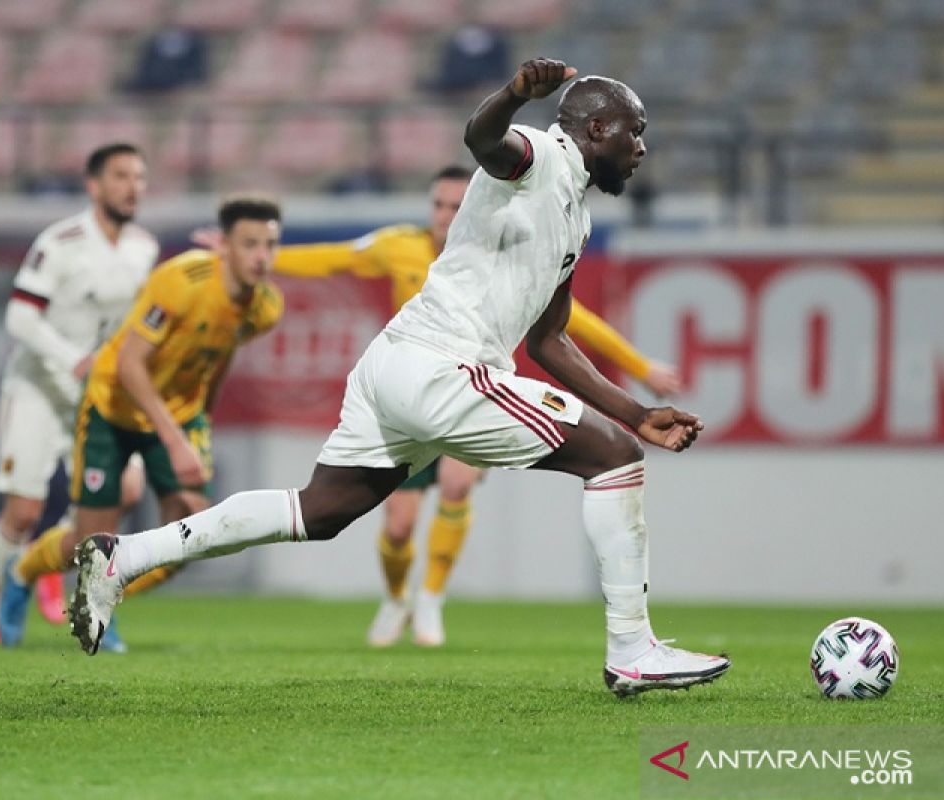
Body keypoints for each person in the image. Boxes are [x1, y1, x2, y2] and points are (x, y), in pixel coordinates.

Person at [70, 59, 731, 698]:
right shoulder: (538, 153)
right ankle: (631, 651)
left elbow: (549, 340)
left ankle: (120, 556)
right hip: (443, 367)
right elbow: (482, 138)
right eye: (633, 129)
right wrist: (511, 93)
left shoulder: (575, 215)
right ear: (593, 128)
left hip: (398, 364)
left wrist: (636, 409)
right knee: (615, 460)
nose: (641, 146)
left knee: (318, 511)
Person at [261, 165, 681, 648]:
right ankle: (397, 597)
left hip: (469, 388)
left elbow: (571, 318)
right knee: (398, 527)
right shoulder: (397, 245)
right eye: (437, 206)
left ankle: (431, 600)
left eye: (454, 207)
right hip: (411, 395)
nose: (443, 216)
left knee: (457, 486)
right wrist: (262, 258)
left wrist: (639, 365)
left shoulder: (496, 253)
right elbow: (332, 259)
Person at [0, 196, 285, 650]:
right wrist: (175, 441)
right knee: (88, 539)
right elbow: (131, 364)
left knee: (191, 538)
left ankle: (101, 602)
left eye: (270, 245)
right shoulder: (180, 281)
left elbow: (221, 350)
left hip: (178, 416)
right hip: (112, 406)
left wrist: (201, 421)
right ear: (224, 246)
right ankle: (20, 574)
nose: (261, 256)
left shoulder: (265, 307)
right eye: (249, 244)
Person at [0, 143, 159, 645]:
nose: (132, 186)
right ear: (94, 185)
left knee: (121, 493)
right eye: (120, 176)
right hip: (38, 386)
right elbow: (19, 317)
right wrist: (72, 358)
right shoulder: (60, 242)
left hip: (95, 395)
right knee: (23, 513)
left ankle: (58, 570)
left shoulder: (144, 248)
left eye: (139, 177)